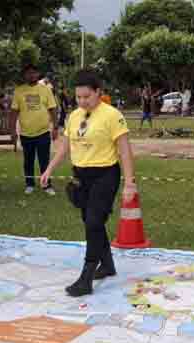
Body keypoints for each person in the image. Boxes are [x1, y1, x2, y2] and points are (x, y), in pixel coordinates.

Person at [40, 69, 138, 297]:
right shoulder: (74, 116)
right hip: (81, 176)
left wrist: (129, 183)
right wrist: (49, 169)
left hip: (105, 174)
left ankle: (86, 276)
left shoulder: (112, 115)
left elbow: (124, 150)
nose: (82, 101)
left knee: (94, 221)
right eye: (79, 97)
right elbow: (65, 147)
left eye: (87, 96)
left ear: (98, 93)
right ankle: (108, 264)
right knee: (91, 221)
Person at [10, 63, 59, 196]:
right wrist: (13, 131)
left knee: (44, 160)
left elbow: (53, 109)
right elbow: (14, 112)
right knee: (28, 161)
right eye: (28, 73)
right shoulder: (19, 91)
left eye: (34, 72)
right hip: (26, 133)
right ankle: (29, 184)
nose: (31, 75)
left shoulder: (46, 90)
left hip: (43, 132)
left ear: (38, 74)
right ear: (24, 75)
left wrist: (55, 127)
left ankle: (47, 185)